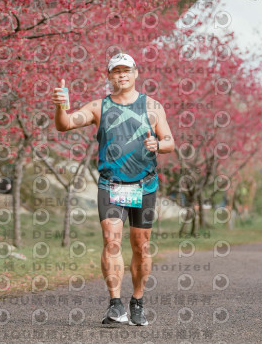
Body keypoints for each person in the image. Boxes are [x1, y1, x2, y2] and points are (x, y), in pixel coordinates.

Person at [52, 53, 174, 326]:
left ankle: (137, 301)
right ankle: (115, 304)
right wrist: (60, 106)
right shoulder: (99, 106)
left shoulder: (153, 106)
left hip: (144, 185)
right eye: (116, 71)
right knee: (112, 241)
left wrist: (158, 144)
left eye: (126, 70)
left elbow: (169, 141)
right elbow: (65, 124)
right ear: (108, 76)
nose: (122, 75)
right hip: (111, 184)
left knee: (141, 246)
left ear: (136, 73)